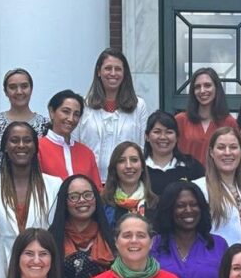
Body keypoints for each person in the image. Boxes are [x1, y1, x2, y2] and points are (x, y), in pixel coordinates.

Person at [0, 122, 62, 259]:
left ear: (35, 147)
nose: (21, 145)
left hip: (40, 267)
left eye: (27, 140)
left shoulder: (54, 185)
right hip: (1, 270)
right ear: (5, 147)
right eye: (14, 140)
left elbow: (57, 234)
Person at [76, 48, 150, 181]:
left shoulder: (139, 106)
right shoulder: (83, 105)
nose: (113, 73)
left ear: (124, 72)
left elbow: (141, 146)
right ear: (99, 72)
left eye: (118, 69)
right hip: (90, 181)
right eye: (108, 68)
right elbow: (75, 144)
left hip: (126, 182)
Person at [194, 126, 241, 245]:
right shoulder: (198, 189)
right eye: (221, 147)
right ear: (211, 153)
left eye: (233, 147)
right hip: (217, 261)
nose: (227, 152)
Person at [0, 68, 50, 167]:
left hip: (35, 180)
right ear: (5, 91)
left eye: (24, 86)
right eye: (12, 87)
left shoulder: (45, 125)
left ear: (31, 89)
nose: (19, 92)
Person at [176, 67, 241, 165]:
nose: (202, 90)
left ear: (216, 88)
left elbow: (237, 156)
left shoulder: (229, 122)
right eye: (197, 87)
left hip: (219, 178)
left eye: (207, 85)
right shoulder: (180, 120)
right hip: (187, 178)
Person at [38, 90, 102, 189]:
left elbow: (97, 191)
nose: (71, 119)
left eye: (76, 114)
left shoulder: (86, 153)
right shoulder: (37, 148)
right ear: (51, 112)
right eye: (66, 112)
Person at [143, 110, 205, 196]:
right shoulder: (139, 168)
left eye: (169, 132)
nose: (163, 137)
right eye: (157, 132)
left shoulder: (192, 167)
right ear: (147, 137)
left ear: (177, 137)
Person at [102, 141, 158, 226]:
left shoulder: (156, 204)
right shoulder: (103, 204)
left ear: (142, 166)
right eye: (121, 161)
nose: (128, 166)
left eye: (134, 160)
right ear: (114, 168)